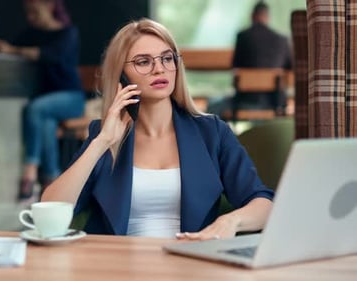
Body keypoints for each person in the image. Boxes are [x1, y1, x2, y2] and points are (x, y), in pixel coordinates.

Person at [41, 18, 274, 240]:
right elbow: (50, 214)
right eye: (143, 62)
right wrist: (102, 142)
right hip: (115, 265)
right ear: (121, 76)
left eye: (167, 58)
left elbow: (264, 203)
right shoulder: (103, 135)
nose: (159, 69)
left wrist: (231, 222)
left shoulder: (212, 132)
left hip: (190, 264)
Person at [0, 0, 85, 200]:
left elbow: (49, 55)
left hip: (71, 98)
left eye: (35, 11)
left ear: (50, 6)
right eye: (28, 12)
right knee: (46, 124)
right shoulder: (31, 34)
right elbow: (9, 46)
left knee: (35, 109)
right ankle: (52, 180)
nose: (31, 17)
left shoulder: (68, 33)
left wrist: (12, 50)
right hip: (48, 105)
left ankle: (30, 169)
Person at [208, 1, 292, 118]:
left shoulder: (243, 37)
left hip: (244, 101)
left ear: (252, 16)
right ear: (267, 17)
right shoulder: (282, 40)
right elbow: (290, 67)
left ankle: (225, 136)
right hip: (274, 103)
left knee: (212, 105)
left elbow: (235, 65)